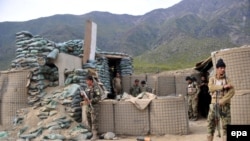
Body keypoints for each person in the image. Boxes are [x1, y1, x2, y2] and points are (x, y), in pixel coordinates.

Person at [207, 59, 235, 141]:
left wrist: (223, 100)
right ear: (217, 68)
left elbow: (232, 91)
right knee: (210, 124)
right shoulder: (212, 79)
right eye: (221, 67)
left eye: (224, 67)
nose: (223, 69)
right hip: (214, 105)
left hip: (225, 105)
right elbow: (211, 88)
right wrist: (222, 87)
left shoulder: (228, 79)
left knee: (226, 126)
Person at [81, 75, 101, 141]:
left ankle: (95, 135)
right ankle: (92, 134)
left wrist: (91, 100)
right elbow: (86, 97)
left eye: (87, 81)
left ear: (91, 81)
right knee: (89, 119)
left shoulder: (96, 87)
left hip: (94, 107)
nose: (86, 82)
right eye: (86, 81)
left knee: (94, 121)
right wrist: (83, 96)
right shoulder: (87, 88)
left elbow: (98, 98)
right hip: (88, 107)